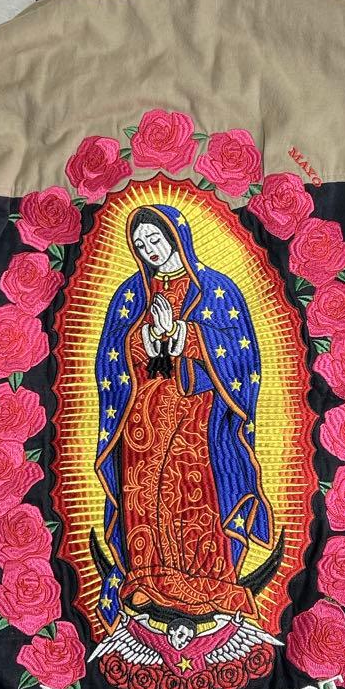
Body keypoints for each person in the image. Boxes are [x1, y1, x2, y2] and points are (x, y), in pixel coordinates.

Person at [92, 204, 277, 623]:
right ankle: (148, 578)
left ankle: (206, 582)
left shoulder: (216, 289)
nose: (150, 249)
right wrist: (145, 337)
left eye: (155, 239)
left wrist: (183, 334)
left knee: (192, 492)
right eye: (141, 244)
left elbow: (241, 359)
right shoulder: (131, 294)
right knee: (144, 495)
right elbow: (110, 359)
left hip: (197, 415)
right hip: (141, 418)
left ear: (176, 236)